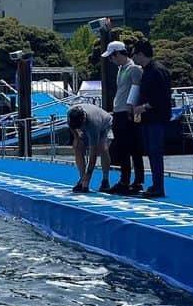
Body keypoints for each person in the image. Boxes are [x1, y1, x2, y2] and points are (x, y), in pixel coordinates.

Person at [130, 39, 172, 199]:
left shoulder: (157, 71)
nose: (133, 58)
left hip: (157, 118)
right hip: (148, 118)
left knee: (155, 152)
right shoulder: (147, 70)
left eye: (135, 54)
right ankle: (155, 184)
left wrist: (144, 106)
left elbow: (163, 97)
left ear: (141, 54)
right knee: (150, 152)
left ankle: (158, 186)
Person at [102, 40, 144, 195]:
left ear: (118, 54)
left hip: (128, 112)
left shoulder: (133, 68)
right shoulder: (121, 69)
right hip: (119, 111)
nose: (111, 60)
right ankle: (125, 179)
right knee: (122, 148)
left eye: (112, 57)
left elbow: (137, 88)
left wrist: (131, 109)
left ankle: (134, 181)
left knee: (132, 147)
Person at [66, 102, 113, 193]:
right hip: (86, 125)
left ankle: (105, 180)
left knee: (102, 148)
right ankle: (81, 178)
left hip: (105, 125)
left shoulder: (93, 124)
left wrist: (89, 175)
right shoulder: (70, 114)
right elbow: (71, 127)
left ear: (83, 120)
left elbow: (93, 154)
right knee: (77, 146)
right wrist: (76, 137)